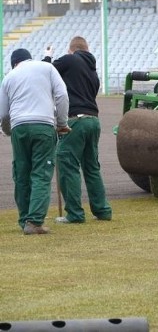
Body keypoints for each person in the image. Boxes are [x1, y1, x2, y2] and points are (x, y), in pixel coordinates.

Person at [0, 48, 70, 235]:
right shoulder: (47, 68)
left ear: (15, 63)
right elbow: (62, 95)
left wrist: (9, 131)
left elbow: (4, 113)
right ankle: (34, 221)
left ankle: (24, 219)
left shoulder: (9, 77)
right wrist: (62, 123)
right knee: (41, 173)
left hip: (19, 128)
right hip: (43, 125)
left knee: (21, 174)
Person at [44, 36, 113, 223]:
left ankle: (74, 213)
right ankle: (102, 210)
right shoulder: (93, 72)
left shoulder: (70, 59)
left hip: (76, 120)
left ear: (71, 50)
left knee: (67, 163)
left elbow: (44, 71)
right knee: (91, 167)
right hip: (93, 121)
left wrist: (48, 57)